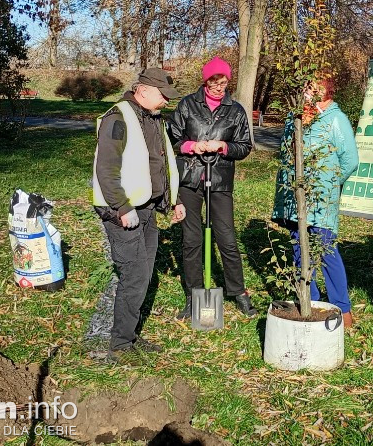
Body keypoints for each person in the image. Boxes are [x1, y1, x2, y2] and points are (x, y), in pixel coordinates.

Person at [91, 68, 183, 360]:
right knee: (135, 275)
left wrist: (172, 201)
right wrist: (122, 206)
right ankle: (120, 345)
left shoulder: (152, 118)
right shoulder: (118, 118)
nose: (167, 101)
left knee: (142, 274)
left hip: (147, 209)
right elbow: (105, 170)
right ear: (142, 90)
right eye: (162, 96)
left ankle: (127, 336)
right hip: (124, 212)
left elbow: (160, 165)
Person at [167, 56, 256, 317]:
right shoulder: (187, 105)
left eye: (224, 82)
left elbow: (245, 146)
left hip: (219, 180)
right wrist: (191, 146)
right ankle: (194, 295)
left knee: (226, 237)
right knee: (192, 239)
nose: (220, 87)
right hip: (190, 179)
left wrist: (224, 147)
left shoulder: (235, 110)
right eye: (215, 82)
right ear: (205, 81)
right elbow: (172, 138)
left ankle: (238, 291)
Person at [272, 78, 360, 328]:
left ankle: (342, 308)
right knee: (299, 245)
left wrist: (330, 184)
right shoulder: (296, 116)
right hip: (296, 197)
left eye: (312, 89)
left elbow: (350, 160)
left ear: (325, 91)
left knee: (326, 249)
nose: (307, 93)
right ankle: (309, 299)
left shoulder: (335, 119)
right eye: (305, 88)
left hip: (321, 199)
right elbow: (286, 151)